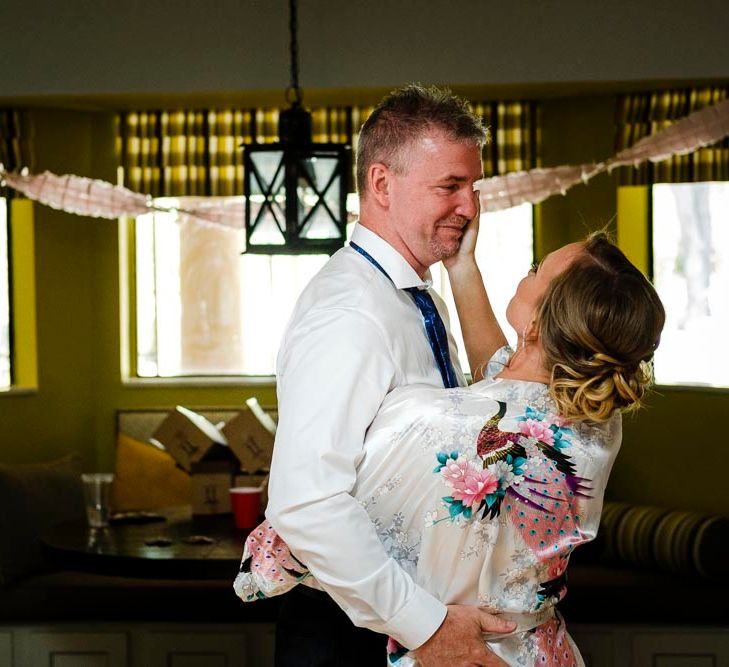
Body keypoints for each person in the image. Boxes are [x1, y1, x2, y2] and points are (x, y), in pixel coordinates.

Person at [236, 224, 666, 666]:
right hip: (538, 651)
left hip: (461, 651)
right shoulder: (594, 412)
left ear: (537, 324)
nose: (528, 270)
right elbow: (505, 378)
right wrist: (462, 266)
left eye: (536, 270)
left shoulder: (432, 426)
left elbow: (310, 513)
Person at [264, 84, 515, 666]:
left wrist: (463, 271)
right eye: (449, 187)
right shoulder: (349, 311)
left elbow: (486, 413)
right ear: (381, 184)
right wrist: (426, 627)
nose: (470, 208)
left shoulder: (414, 296)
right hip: (349, 633)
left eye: (472, 188)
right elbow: (306, 502)